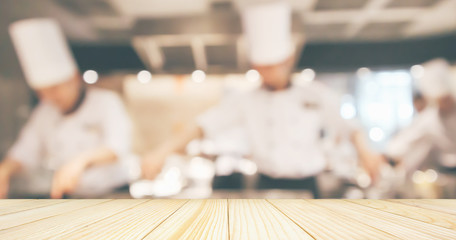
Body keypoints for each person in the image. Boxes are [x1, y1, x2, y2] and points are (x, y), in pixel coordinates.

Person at [142, 1, 381, 198]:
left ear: (287, 60)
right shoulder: (246, 101)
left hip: (310, 185)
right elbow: (202, 125)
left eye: (270, 67)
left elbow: (349, 127)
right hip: (266, 184)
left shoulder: (315, 94)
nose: (264, 73)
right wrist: (161, 152)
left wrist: (366, 153)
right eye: (260, 68)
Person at [0, 18, 136, 198]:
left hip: (114, 194)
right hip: (73, 197)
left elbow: (117, 146)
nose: (49, 97)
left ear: (74, 78)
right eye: (42, 92)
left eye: (54, 88)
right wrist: (5, 170)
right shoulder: (45, 112)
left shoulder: (106, 102)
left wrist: (80, 161)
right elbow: (25, 151)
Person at [385, 58, 456, 173]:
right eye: (440, 100)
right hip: (444, 172)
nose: (444, 104)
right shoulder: (429, 119)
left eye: (447, 99)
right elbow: (401, 143)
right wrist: (390, 155)